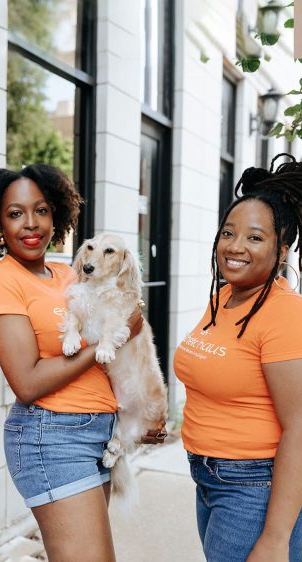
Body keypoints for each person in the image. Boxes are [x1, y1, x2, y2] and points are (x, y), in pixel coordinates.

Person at [0, 163, 166, 562]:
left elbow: (124, 326)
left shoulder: (68, 274)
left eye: (41, 210)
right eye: (15, 213)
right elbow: (28, 381)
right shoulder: (2, 281)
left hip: (100, 431)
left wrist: (140, 415)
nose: (31, 223)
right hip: (52, 436)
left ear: (57, 214)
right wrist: (112, 336)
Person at [174, 153, 302, 562]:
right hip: (210, 477)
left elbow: (300, 428)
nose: (235, 247)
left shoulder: (285, 313)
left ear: (282, 250)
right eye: (228, 232)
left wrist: (276, 538)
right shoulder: (223, 297)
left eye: (255, 237)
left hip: (254, 487)